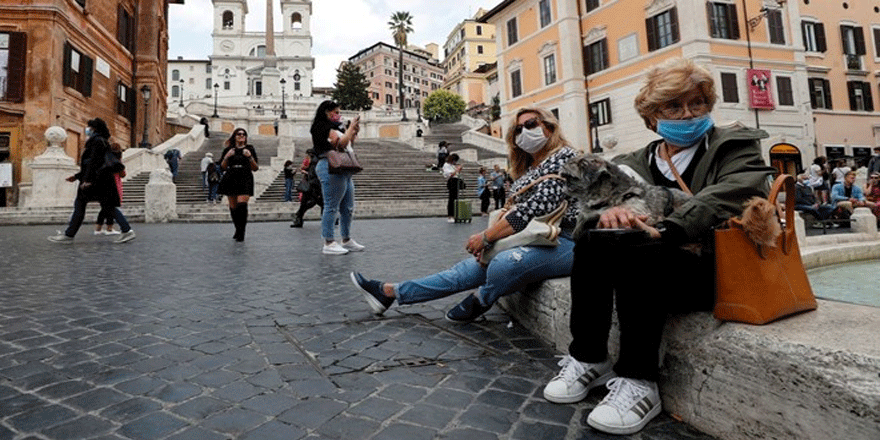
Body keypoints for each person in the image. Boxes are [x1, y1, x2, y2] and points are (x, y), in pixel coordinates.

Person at [543, 58, 775, 435]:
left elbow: (732, 193)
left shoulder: (734, 146)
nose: (687, 114)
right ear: (652, 117)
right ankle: (587, 356)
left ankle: (639, 382)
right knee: (591, 244)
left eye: (697, 103)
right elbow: (586, 212)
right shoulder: (632, 162)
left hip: (715, 268)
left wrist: (666, 229)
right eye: (673, 106)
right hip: (650, 267)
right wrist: (607, 217)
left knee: (640, 250)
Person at [350, 107, 580, 323]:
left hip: (570, 241)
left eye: (531, 123)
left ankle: (483, 298)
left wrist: (487, 237)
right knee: (463, 271)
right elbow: (519, 213)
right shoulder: (529, 168)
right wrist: (491, 240)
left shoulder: (565, 158)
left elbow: (536, 208)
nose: (524, 132)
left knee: (502, 264)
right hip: (534, 238)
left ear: (549, 126)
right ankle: (389, 292)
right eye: (518, 129)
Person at [49, 118, 136, 244]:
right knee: (107, 206)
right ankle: (127, 230)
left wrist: (86, 179)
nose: (87, 129)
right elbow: (93, 163)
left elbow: (93, 162)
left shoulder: (96, 141)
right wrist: (77, 176)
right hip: (101, 180)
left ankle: (69, 235)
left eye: (89, 127)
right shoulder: (102, 141)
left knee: (82, 205)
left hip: (95, 181)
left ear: (94, 128)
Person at [310, 100, 364, 254]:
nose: (339, 115)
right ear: (327, 112)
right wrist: (350, 128)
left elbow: (348, 145)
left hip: (343, 167)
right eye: (336, 112)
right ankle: (328, 242)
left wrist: (353, 132)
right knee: (331, 206)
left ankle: (346, 239)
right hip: (329, 166)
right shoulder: (321, 127)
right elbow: (339, 144)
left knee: (348, 207)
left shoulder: (336, 127)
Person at [218, 128, 259, 241]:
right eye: (239, 134)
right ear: (234, 136)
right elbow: (222, 167)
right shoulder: (228, 150)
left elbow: (255, 168)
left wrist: (250, 157)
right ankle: (237, 228)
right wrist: (227, 156)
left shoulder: (250, 149)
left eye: (243, 134)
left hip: (245, 177)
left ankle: (242, 232)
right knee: (233, 207)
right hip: (231, 177)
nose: (241, 136)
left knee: (242, 205)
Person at [93, 142, 126, 235]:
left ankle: (98, 228)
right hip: (114, 183)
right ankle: (109, 228)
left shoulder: (104, 158)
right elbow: (122, 173)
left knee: (104, 207)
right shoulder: (116, 161)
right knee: (111, 206)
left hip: (102, 184)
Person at [291, 149, 323, 228]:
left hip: (313, 183)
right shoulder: (315, 159)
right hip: (312, 183)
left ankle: (298, 217)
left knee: (317, 202)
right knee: (318, 202)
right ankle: (299, 218)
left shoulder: (315, 159)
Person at [442, 153, 463, 223]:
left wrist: (459, 170)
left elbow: (457, 174)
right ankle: (450, 215)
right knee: (451, 198)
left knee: (456, 198)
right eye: (454, 160)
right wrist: (457, 170)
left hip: (456, 181)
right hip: (451, 181)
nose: (455, 162)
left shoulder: (453, 166)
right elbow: (449, 174)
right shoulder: (446, 165)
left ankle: (455, 214)